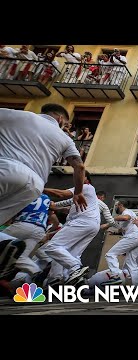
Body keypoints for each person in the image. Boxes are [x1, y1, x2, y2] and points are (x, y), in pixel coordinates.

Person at [0, 103, 87, 278]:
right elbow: (79, 166)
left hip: (6, 168)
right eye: (67, 125)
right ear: (60, 119)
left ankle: (8, 245)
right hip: (34, 184)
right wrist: (78, 192)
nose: (67, 128)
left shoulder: (18, 115)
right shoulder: (64, 138)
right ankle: (10, 248)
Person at [42, 171, 99, 286]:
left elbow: (61, 194)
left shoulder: (86, 187)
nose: (76, 178)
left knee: (52, 247)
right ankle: (60, 279)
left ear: (87, 179)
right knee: (69, 254)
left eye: (80, 176)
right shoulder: (81, 196)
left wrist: (40, 188)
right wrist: (55, 206)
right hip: (92, 224)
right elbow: (64, 205)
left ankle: (75, 268)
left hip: (83, 222)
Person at [101, 200, 138, 285]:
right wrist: (114, 231)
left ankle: (116, 276)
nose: (115, 207)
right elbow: (123, 228)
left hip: (133, 237)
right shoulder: (127, 213)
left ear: (120, 205)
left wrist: (110, 221)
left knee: (110, 254)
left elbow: (126, 218)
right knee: (131, 264)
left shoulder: (126, 212)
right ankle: (136, 287)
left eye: (116, 205)